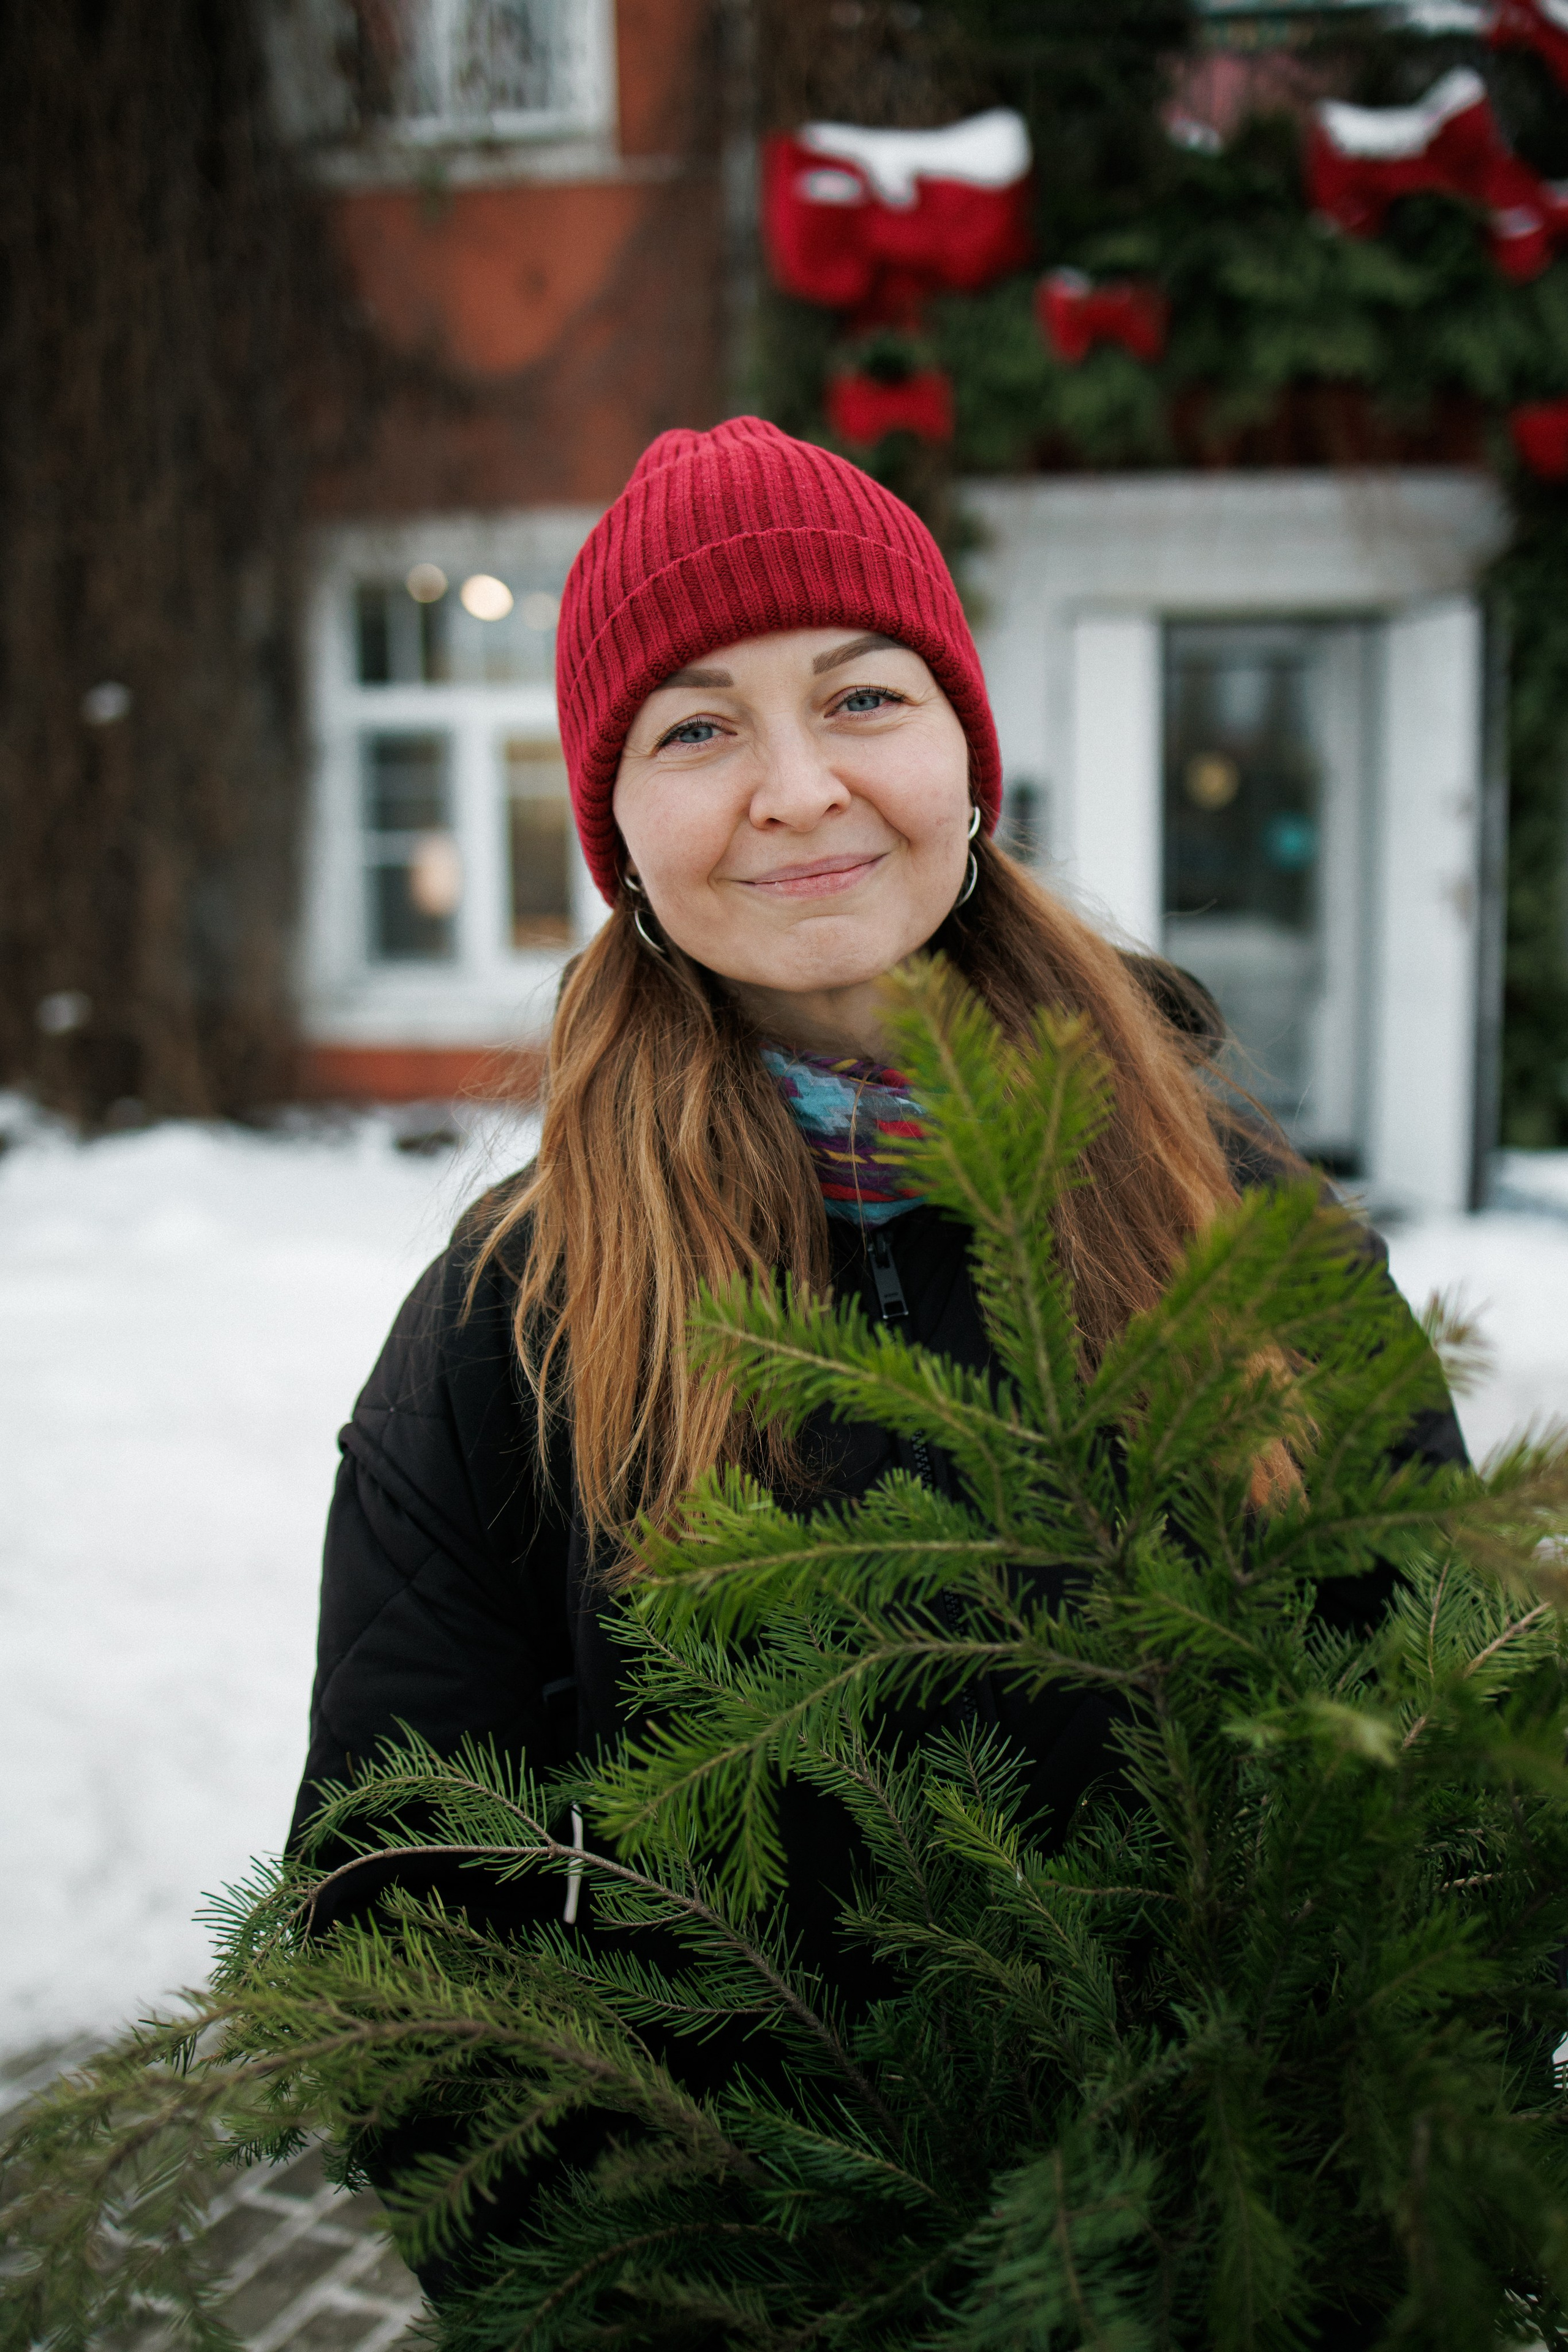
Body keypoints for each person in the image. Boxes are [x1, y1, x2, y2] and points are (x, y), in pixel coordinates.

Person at [290, 416, 1464, 2294]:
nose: (797, 788)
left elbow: (1446, 1784)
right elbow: (412, 1939)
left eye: (860, 697)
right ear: (619, 840)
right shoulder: (518, 1319)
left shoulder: (1249, 1234)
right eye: (696, 727)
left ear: (966, 761)